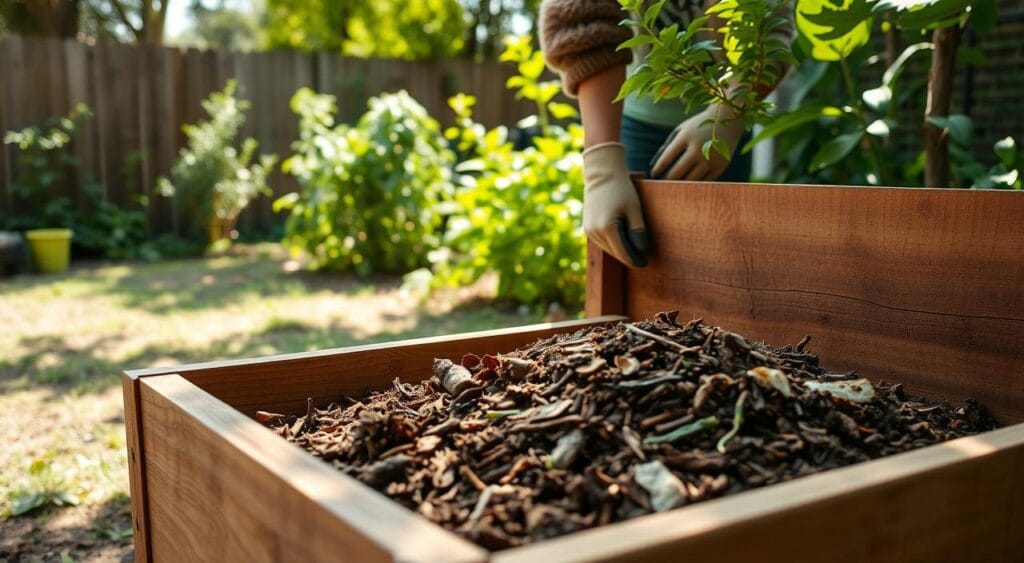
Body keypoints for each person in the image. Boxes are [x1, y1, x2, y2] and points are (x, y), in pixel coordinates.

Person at [539, 0, 792, 268]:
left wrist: (729, 114)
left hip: (727, 129)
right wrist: (601, 169)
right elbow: (586, 20)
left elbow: (771, 31)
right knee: (633, 267)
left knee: (724, 262)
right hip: (635, 124)